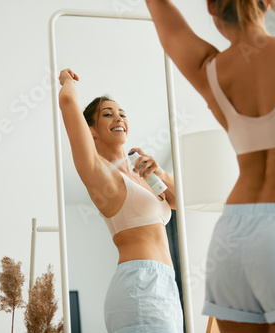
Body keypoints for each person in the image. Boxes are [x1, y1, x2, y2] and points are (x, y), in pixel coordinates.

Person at [144, 0, 275, 332]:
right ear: (271, 2)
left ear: (211, 7)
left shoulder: (210, 70)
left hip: (233, 237)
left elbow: (170, 27)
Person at [58, 68, 183, 333]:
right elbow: (68, 102)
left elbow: (179, 201)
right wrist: (66, 80)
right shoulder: (100, 173)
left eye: (122, 114)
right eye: (107, 114)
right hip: (140, 285)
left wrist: (160, 172)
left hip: (167, 286)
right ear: (91, 130)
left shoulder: (142, 176)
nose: (119, 118)